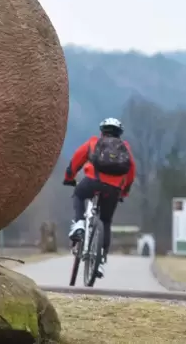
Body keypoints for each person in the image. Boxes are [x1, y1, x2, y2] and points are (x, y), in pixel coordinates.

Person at [62, 117, 136, 278]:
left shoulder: (94, 142)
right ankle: (101, 260)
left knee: (79, 194)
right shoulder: (125, 148)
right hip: (114, 190)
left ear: (102, 131)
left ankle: (80, 223)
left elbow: (76, 160)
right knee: (106, 221)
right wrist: (123, 192)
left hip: (93, 183)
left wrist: (69, 177)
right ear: (119, 134)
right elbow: (131, 173)